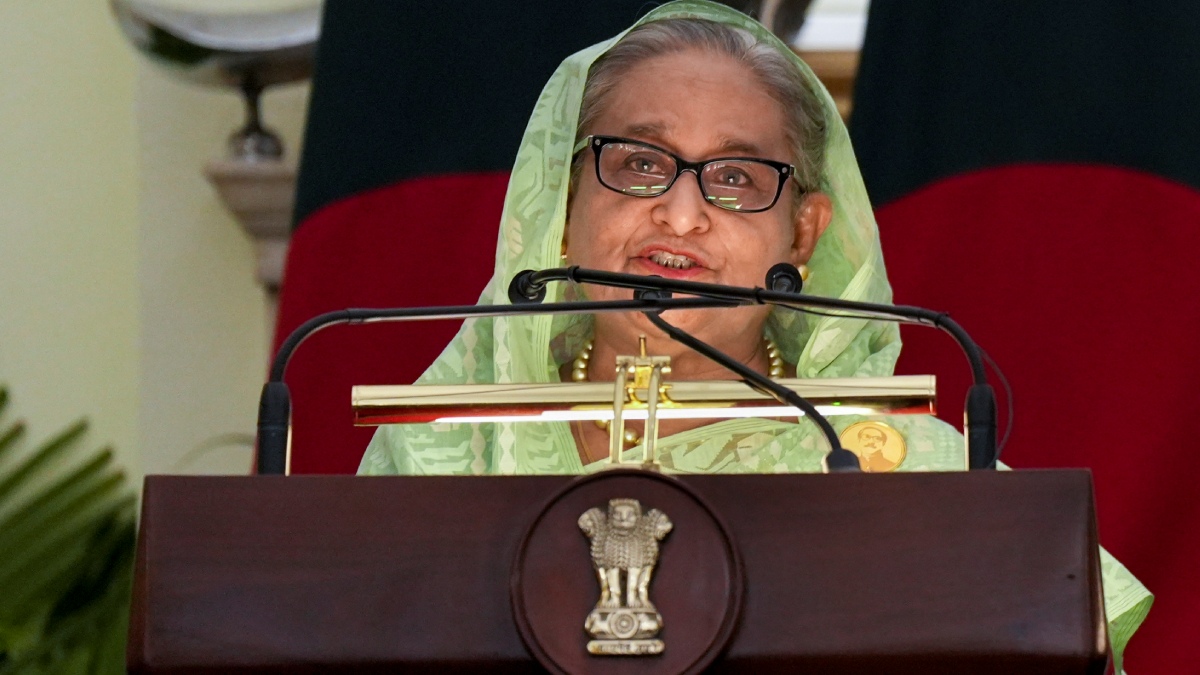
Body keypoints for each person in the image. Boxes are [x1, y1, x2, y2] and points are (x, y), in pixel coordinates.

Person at [358, 0, 1149, 667]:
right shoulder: (441, 449)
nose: (681, 214)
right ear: (564, 208)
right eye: (639, 164)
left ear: (802, 234)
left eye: (735, 177)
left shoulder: (918, 476)